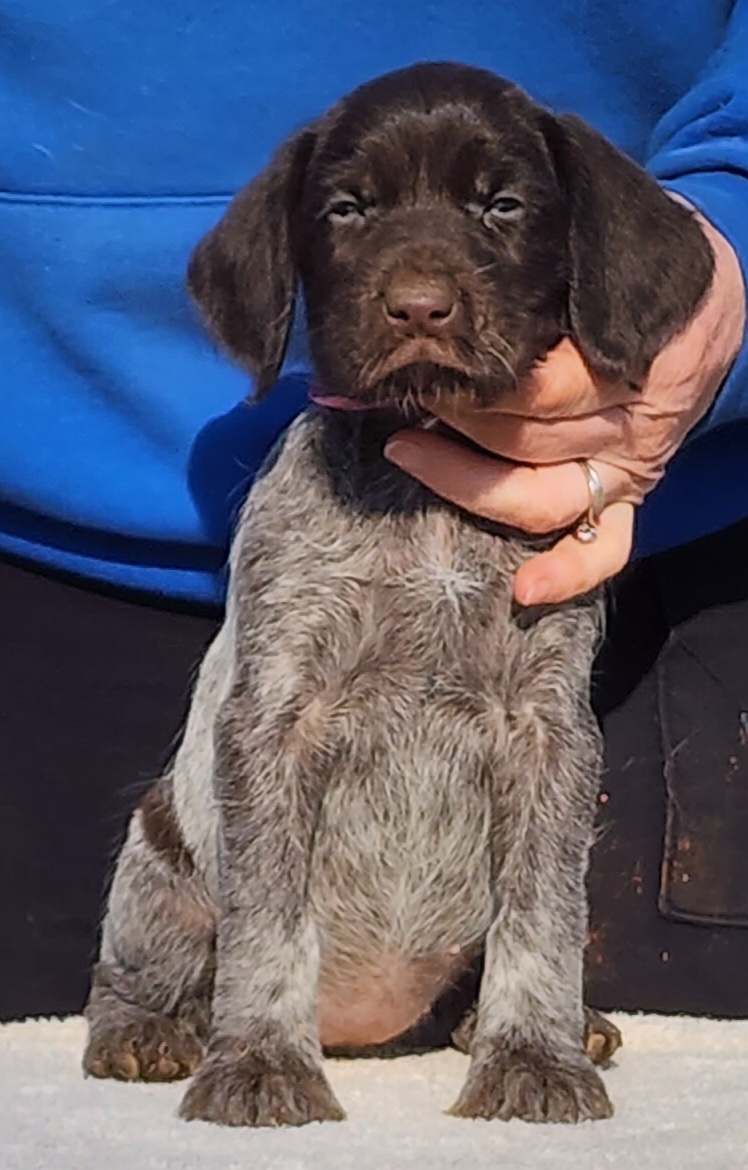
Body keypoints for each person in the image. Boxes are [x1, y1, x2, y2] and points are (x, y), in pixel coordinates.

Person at [1, 1, 747, 1022]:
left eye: (498, 206)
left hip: (643, 530)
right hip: (48, 568)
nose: (420, 288)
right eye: (350, 208)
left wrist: (736, 218)